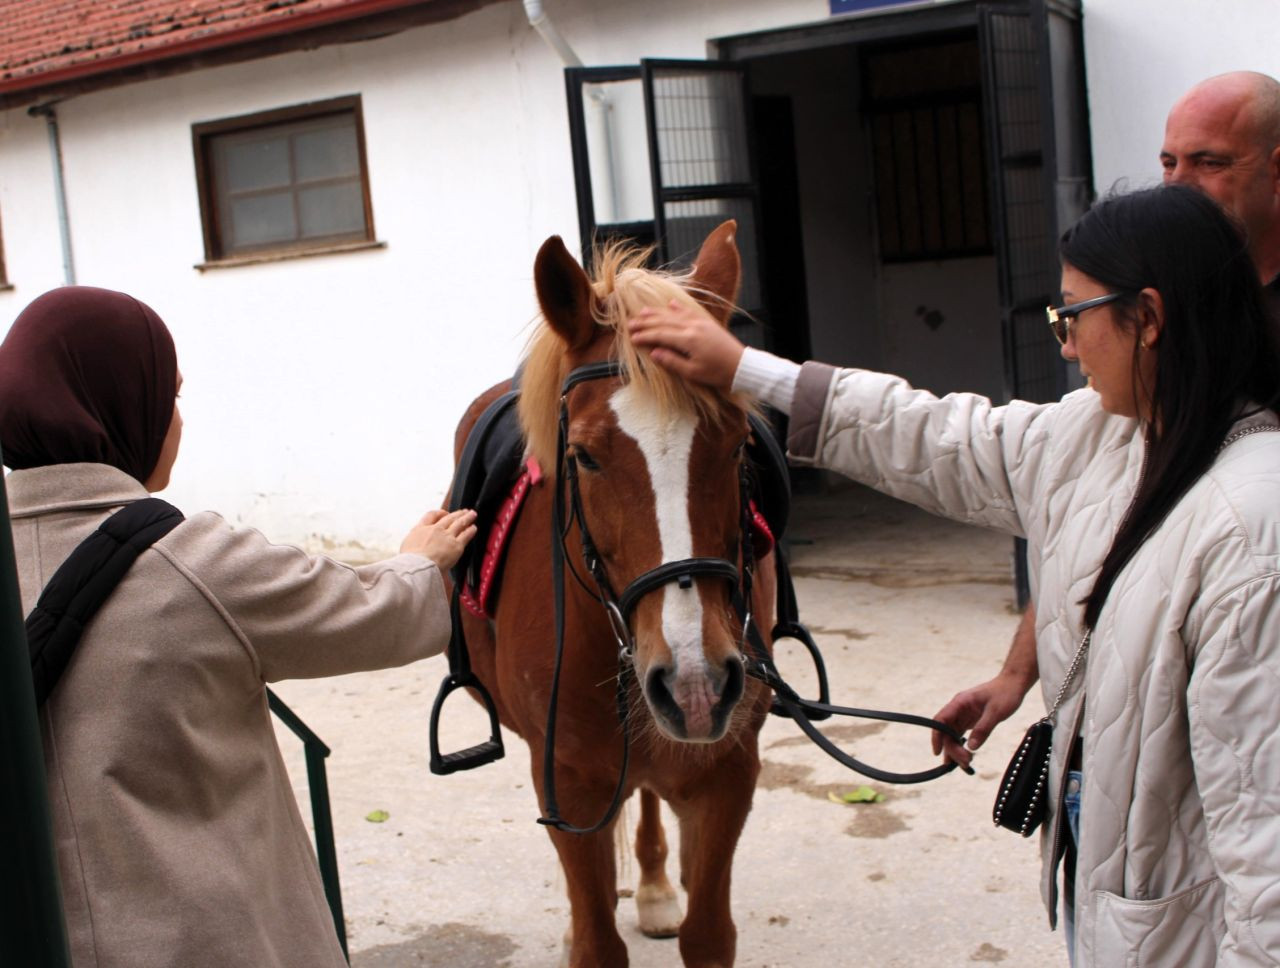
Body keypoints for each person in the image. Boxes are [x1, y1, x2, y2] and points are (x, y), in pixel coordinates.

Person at [628, 185, 1280, 965]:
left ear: (1147, 317)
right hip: (1120, 891)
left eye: (1072, 315)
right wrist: (745, 369)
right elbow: (940, 437)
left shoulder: (1251, 528)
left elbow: (1266, 841)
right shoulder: (1107, 436)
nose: (1066, 345)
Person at [0, 286, 476, 968]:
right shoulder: (191, 565)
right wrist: (416, 562)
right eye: (170, 395)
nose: (177, 420)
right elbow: (379, 616)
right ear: (121, 402)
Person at [932, 69, 1280, 775]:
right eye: (1168, 162)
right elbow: (1096, 519)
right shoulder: (1148, 341)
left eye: (1211, 163)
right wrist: (1019, 672)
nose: (1181, 184)